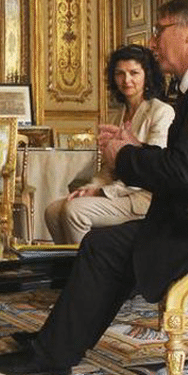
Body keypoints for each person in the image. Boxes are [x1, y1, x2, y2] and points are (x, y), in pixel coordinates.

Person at [0, 0, 188, 375]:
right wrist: (137, 150)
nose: (154, 42)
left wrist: (124, 157)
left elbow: (186, 170)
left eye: (160, 30)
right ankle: (56, 341)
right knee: (109, 245)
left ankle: (53, 353)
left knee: (107, 247)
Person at [45, 45, 174, 245]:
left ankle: (89, 271)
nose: (126, 80)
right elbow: (108, 168)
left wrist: (102, 192)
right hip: (117, 192)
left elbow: (153, 168)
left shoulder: (161, 112)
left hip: (144, 197)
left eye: (134, 73)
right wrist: (91, 187)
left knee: (74, 212)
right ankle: (70, 271)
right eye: (120, 74)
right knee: (53, 211)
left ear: (147, 76)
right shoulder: (116, 116)